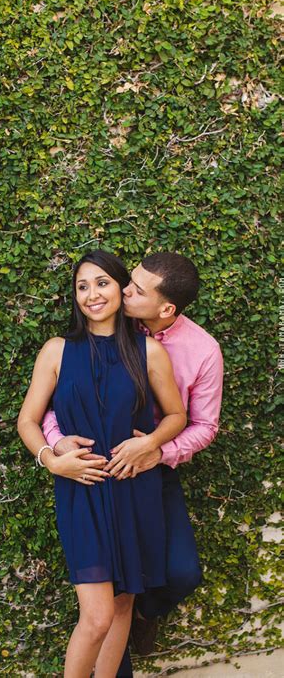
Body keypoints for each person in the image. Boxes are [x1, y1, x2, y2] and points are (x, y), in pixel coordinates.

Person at [42, 252, 224, 676]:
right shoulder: (92, 332)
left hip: (150, 470)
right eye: (128, 281)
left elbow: (201, 424)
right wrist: (54, 450)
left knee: (171, 576)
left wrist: (157, 450)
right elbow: (54, 406)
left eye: (134, 289)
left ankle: (147, 617)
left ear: (166, 309)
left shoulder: (198, 350)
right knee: (100, 611)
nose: (124, 291)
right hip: (89, 475)